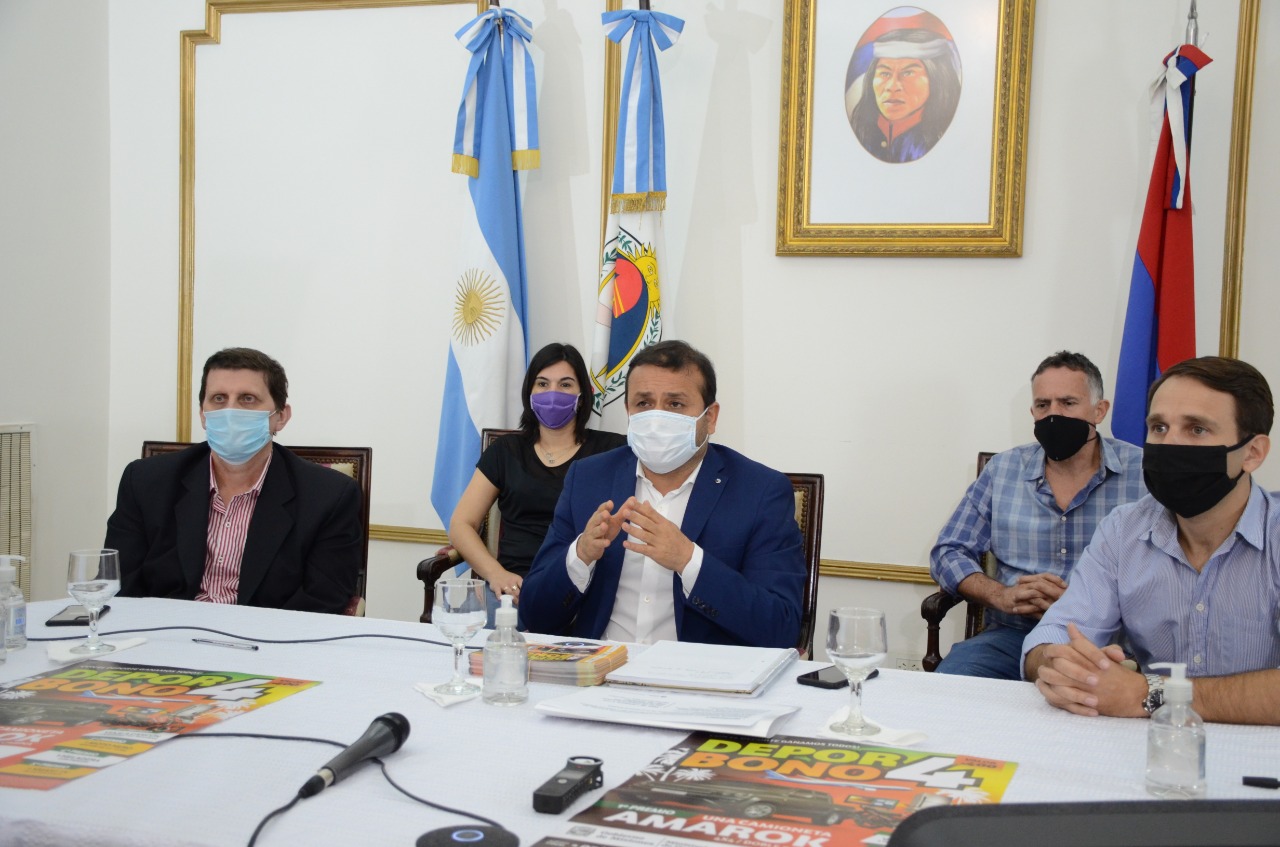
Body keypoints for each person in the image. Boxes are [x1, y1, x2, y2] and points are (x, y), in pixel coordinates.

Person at [1023, 357, 1280, 725]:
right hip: (1149, 743)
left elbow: (1138, 695)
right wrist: (1063, 664)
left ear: (1252, 453)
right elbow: (1053, 636)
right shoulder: (1123, 530)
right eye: (1159, 427)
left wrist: (1148, 693)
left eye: (1196, 429)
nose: (1169, 443)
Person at [520, 340, 805, 648]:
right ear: (628, 411)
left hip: (698, 672)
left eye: (675, 404)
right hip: (601, 666)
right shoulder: (589, 479)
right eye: (643, 403)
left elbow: (781, 628)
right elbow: (533, 616)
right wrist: (580, 556)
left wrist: (688, 560)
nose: (656, 419)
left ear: (710, 418)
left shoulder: (760, 491)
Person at [930, 351, 1146, 679]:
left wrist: (1083, 604)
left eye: (1068, 403)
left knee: (1090, 697)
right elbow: (948, 551)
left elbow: (1170, 569)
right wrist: (1002, 596)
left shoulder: (1143, 473)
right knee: (949, 689)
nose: (1053, 415)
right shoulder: (1003, 470)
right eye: (1043, 405)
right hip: (1011, 636)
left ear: (1099, 410)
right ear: (1032, 412)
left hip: (1106, 639)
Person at [106, 348, 362, 614]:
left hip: (266, 634)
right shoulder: (146, 482)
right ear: (203, 414)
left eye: (247, 399)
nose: (230, 411)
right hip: (166, 629)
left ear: (281, 417)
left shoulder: (329, 496)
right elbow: (121, 583)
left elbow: (323, 597)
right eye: (218, 398)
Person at [447, 342, 626, 622]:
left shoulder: (611, 451)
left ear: (582, 396)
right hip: (513, 589)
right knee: (471, 637)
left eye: (565, 384)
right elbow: (461, 524)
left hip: (582, 587)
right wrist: (496, 574)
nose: (552, 393)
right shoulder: (506, 451)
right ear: (529, 393)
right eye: (542, 384)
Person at [845, 8, 962, 164]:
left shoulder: (945, 140)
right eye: (884, 73)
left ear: (937, 79)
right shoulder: (862, 132)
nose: (892, 86)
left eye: (908, 73)